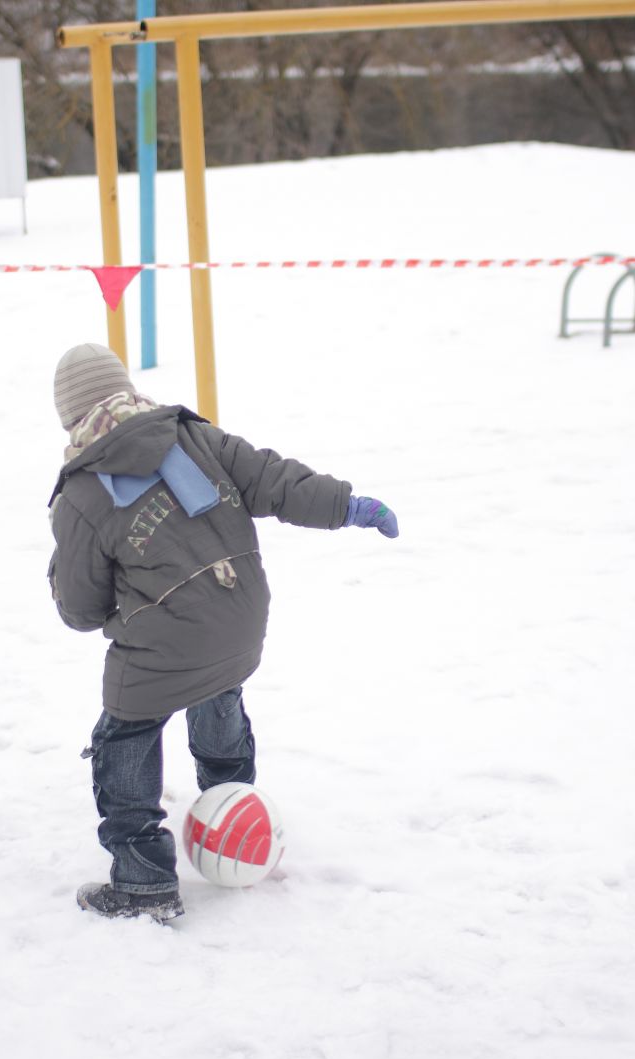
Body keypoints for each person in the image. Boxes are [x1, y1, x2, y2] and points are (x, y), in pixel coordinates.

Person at [46, 343, 399, 920]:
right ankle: (238, 812)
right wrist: (350, 506)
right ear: (128, 390)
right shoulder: (195, 438)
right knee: (216, 691)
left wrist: (59, 575)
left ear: (70, 416)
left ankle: (143, 883)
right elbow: (277, 480)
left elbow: (82, 611)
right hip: (239, 618)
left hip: (165, 644)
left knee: (124, 736)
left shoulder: (82, 494)